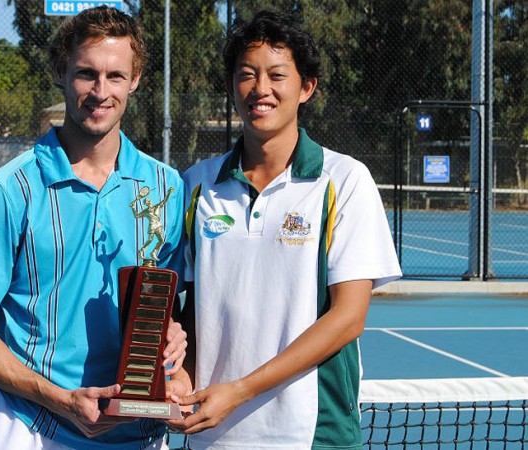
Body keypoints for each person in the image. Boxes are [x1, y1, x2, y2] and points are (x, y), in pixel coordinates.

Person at [0, 6, 189, 450]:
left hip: (139, 434)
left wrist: (173, 335)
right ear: (60, 71)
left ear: (135, 80)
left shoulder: (166, 187)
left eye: (115, 76)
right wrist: (59, 399)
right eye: (86, 74)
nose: (100, 91)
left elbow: (165, 307)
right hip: (29, 426)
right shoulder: (9, 188)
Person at [168, 10, 402, 449]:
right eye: (246, 75)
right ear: (231, 86)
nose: (261, 89)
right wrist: (179, 371)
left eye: (277, 75)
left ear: (306, 87)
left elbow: (348, 318)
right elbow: (190, 308)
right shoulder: (196, 183)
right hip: (214, 432)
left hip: (315, 434)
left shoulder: (344, 180)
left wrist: (240, 390)